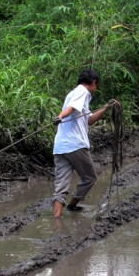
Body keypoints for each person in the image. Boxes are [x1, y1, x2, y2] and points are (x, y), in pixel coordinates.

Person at [51, 69, 118, 218]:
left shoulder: (74, 94)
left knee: (61, 188)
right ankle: (72, 205)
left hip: (60, 148)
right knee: (89, 177)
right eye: (96, 85)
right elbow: (71, 108)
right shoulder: (83, 92)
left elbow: (89, 121)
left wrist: (106, 108)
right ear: (93, 82)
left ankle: (56, 221)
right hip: (76, 145)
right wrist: (60, 116)